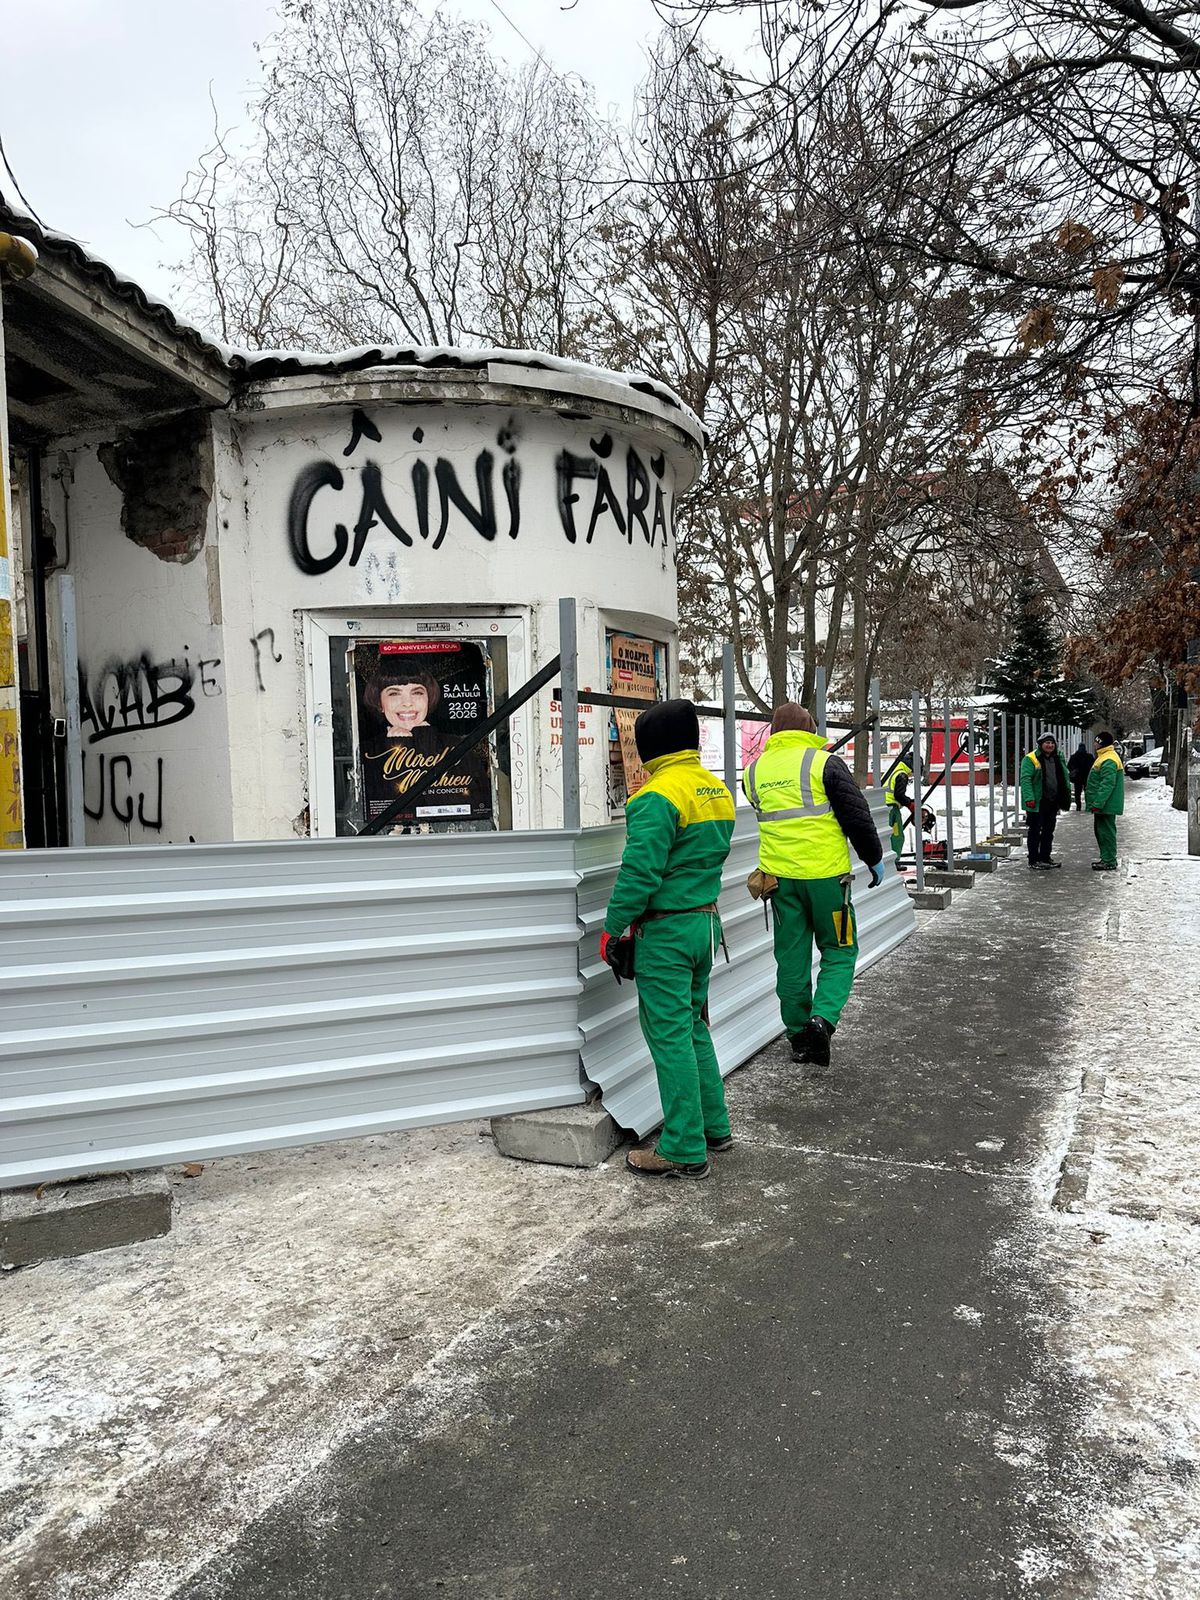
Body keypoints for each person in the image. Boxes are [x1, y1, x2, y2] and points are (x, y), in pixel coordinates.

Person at [600, 700, 736, 1180]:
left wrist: (614, 927)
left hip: (667, 932)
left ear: (647, 746)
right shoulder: (715, 789)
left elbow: (639, 872)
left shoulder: (656, 796)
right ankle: (714, 1128)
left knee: (670, 1036)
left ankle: (682, 1148)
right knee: (695, 1027)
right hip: (704, 926)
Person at [742, 704, 885, 1071]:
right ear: (809, 728)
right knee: (839, 950)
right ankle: (821, 1020)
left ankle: (798, 1038)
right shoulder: (825, 764)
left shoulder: (753, 771)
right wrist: (873, 858)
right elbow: (856, 815)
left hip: (780, 883)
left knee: (791, 958)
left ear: (775, 731)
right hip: (827, 880)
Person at [1020, 731, 1071, 870]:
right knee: (1035, 831)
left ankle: (1045, 857)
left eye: (1052, 743)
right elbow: (1025, 780)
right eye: (1047, 743)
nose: (1050, 745)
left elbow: (1064, 776)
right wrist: (1029, 798)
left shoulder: (1057, 758)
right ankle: (1033, 860)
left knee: (1049, 831)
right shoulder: (1030, 759)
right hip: (1037, 802)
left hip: (1052, 801)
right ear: (1040, 744)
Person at [1086, 731, 1124, 872]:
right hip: (1105, 804)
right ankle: (1106, 859)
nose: (1094, 744)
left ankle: (1109, 861)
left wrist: (1098, 803)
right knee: (1102, 831)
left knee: (1106, 832)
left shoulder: (1108, 759)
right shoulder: (1106, 756)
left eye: (1096, 741)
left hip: (1106, 804)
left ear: (1100, 742)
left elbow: (1107, 784)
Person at [884, 756, 914, 861]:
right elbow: (899, 795)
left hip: (882, 806)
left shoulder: (894, 770)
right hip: (891, 808)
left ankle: (885, 860)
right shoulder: (902, 774)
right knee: (897, 836)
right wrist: (910, 804)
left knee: (884, 836)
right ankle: (894, 861)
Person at [1068, 740, 1094, 811]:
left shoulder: (1073, 756)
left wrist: (1073, 771)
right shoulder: (1089, 756)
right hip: (1087, 777)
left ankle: (1078, 806)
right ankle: (1088, 805)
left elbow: (1069, 766)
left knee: (1077, 792)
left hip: (1077, 777)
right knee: (1087, 791)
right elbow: (1093, 766)